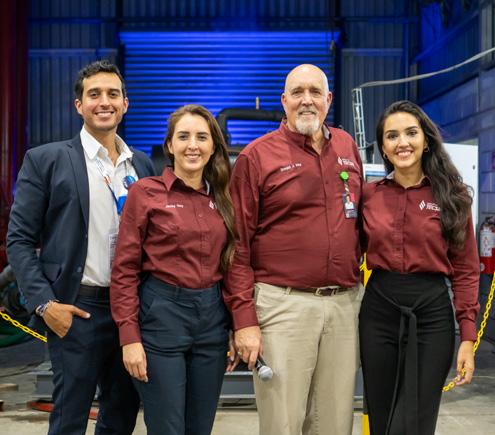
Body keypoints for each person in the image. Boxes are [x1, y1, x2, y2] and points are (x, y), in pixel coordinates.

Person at [6, 60, 155, 435]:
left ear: (125, 104)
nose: (104, 102)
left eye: (113, 94)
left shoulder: (141, 166)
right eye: (94, 94)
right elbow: (19, 241)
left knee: (121, 416)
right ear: (79, 105)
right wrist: (45, 304)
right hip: (77, 308)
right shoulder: (47, 160)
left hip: (129, 310)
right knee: (69, 420)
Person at [224, 64, 363, 435]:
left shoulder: (347, 147)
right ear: (284, 101)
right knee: (281, 423)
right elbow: (237, 245)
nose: (307, 100)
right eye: (298, 92)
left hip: (344, 305)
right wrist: (244, 321)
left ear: (328, 99)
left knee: (335, 424)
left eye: (315, 92)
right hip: (282, 306)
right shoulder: (257, 157)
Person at [110, 104, 237, 435]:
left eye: (201, 137)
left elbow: (232, 264)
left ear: (214, 146)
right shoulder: (145, 193)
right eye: (183, 137)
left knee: (200, 427)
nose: (192, 145)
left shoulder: (224, 197)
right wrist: (129, 338)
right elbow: (124, 269)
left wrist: (236, 325)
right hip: (161, 318)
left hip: (212, 322)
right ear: (169, 145)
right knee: (167, 428)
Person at [359, 100, 480, 435]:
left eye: (411, 133)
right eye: (392, 136)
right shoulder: (369, 196)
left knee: (413, 422)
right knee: (382, 419)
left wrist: (467, 336)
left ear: (426, 139)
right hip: (378, 313)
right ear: (383, 147)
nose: (403, 142)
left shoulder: (452, 195)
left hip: (431, 315)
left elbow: (466, 269)